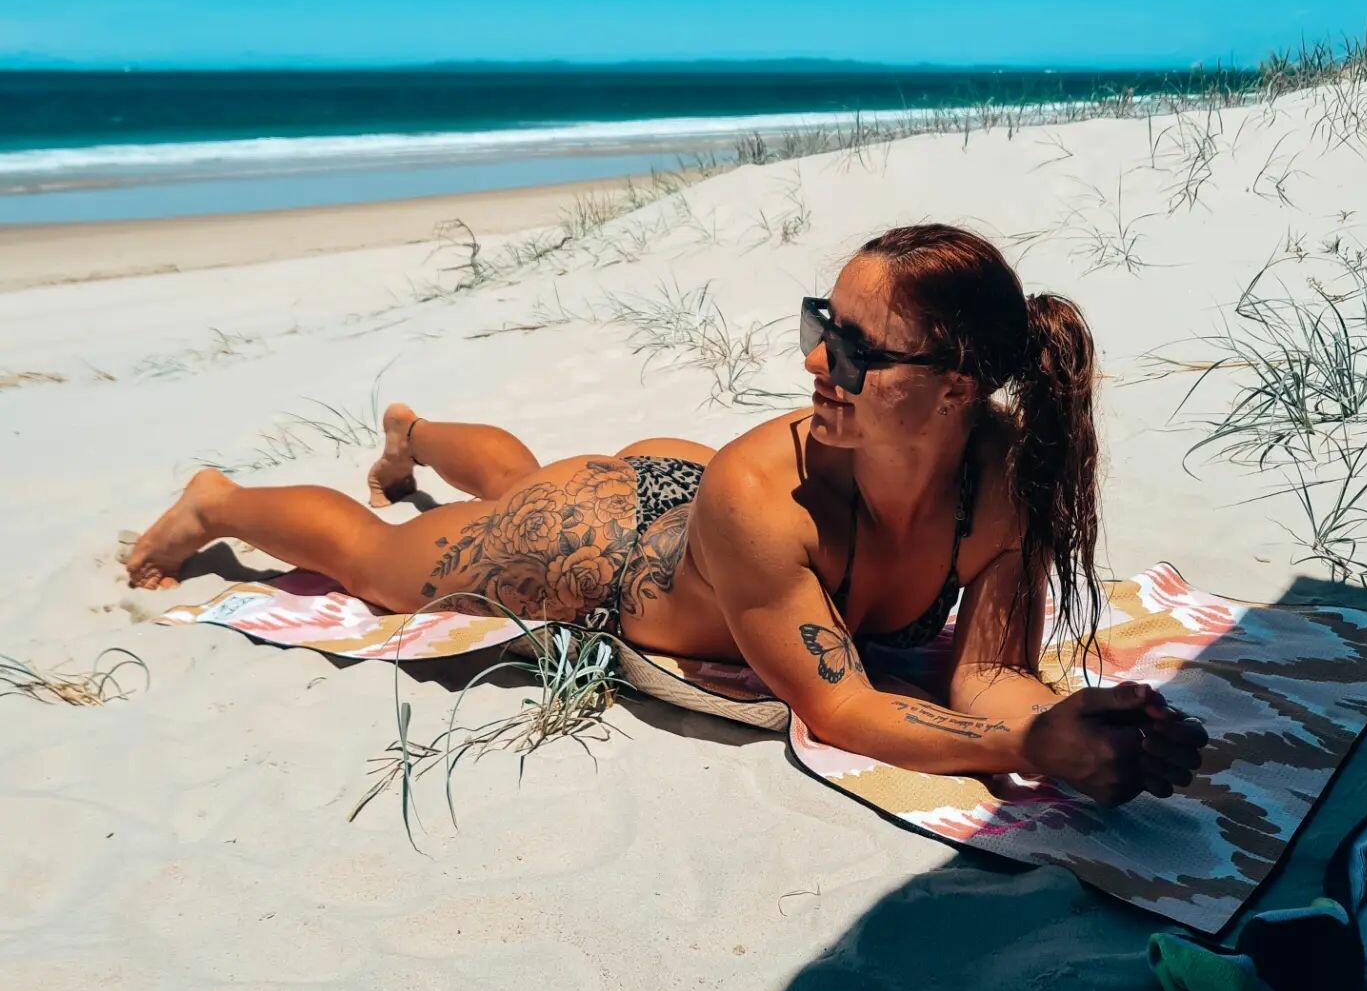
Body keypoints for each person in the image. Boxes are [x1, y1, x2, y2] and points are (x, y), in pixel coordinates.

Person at [126, 223, 1207, 805]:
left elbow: (988, 674)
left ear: (957, 391)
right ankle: (221, 499)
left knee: (522, 473)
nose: (814, 363)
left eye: (854, 351)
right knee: (381, 559)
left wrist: (1083, 724)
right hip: (606, 542)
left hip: (695, 512)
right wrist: (1026, 746)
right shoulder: (765, 494)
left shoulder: (1007, 480)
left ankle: (412, 435)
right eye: (821, 326)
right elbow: (840, 708)